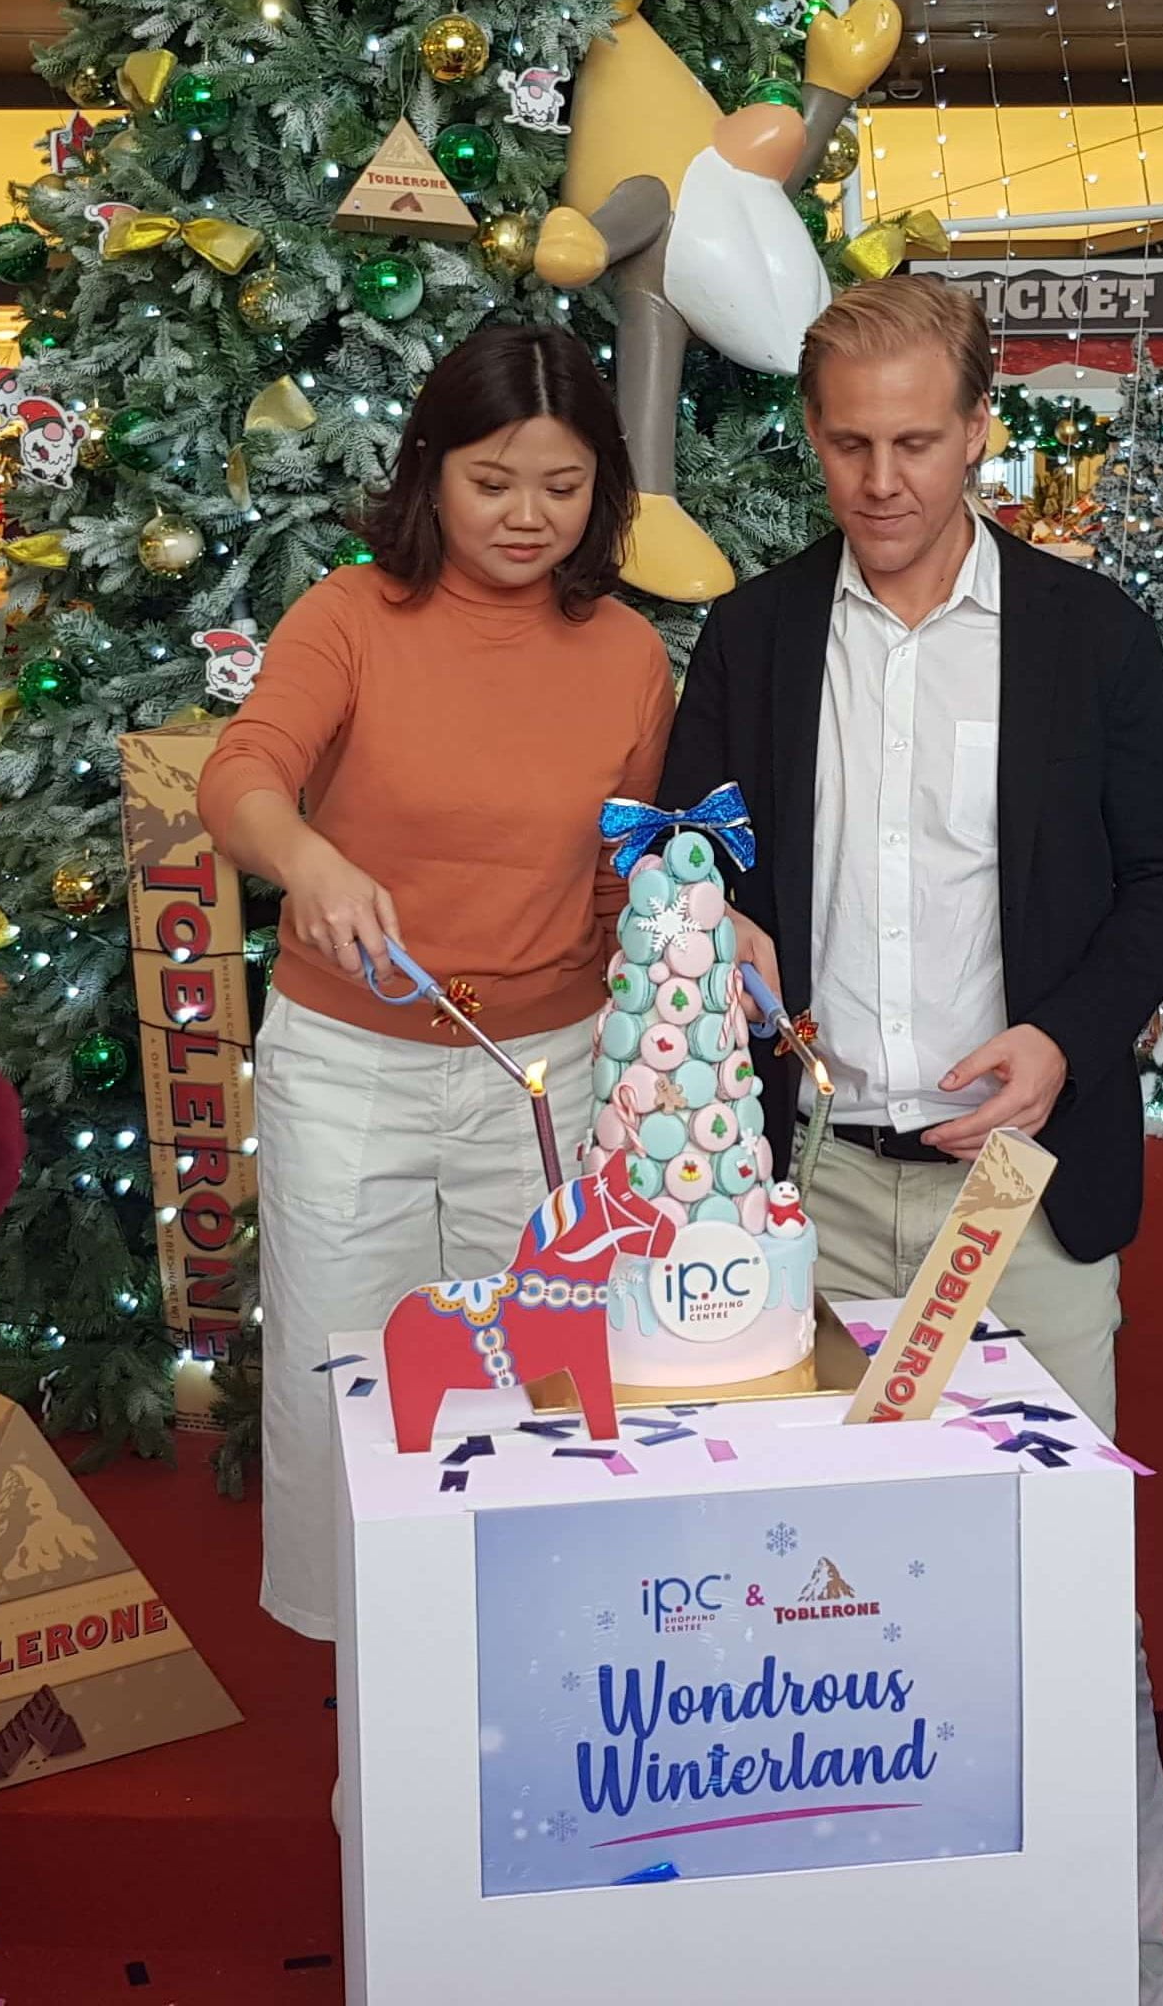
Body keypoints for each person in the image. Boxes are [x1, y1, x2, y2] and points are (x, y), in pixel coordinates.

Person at [660, 272, 1163, 2001]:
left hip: (1017, 1195)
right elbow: (688, 843)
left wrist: (1063, 1041)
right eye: (849, 445)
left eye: (915, 442)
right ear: (811, 438)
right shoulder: (754, 637)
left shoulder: (1088, 633)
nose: (882, 480)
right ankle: (848, 1935)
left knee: (1061, 1588)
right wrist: (719, 914)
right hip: (811, 1186)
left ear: (981, 431)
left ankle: (1107, 1952)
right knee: (808, 1588)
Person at [199, 323, 677, 1641]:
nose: (527, 516)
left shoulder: (628, 653)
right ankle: (360, 1647)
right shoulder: (350, 617)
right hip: (351, 1066)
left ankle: (517, 1643)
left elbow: (625, 868)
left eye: (562, 486)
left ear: (603, 490)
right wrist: (307, 859)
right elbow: (241, 775)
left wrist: (684, 944)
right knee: (344, 1368)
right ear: (431, 470)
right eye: (491, 481)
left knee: (535, 1366)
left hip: (547, 1070)